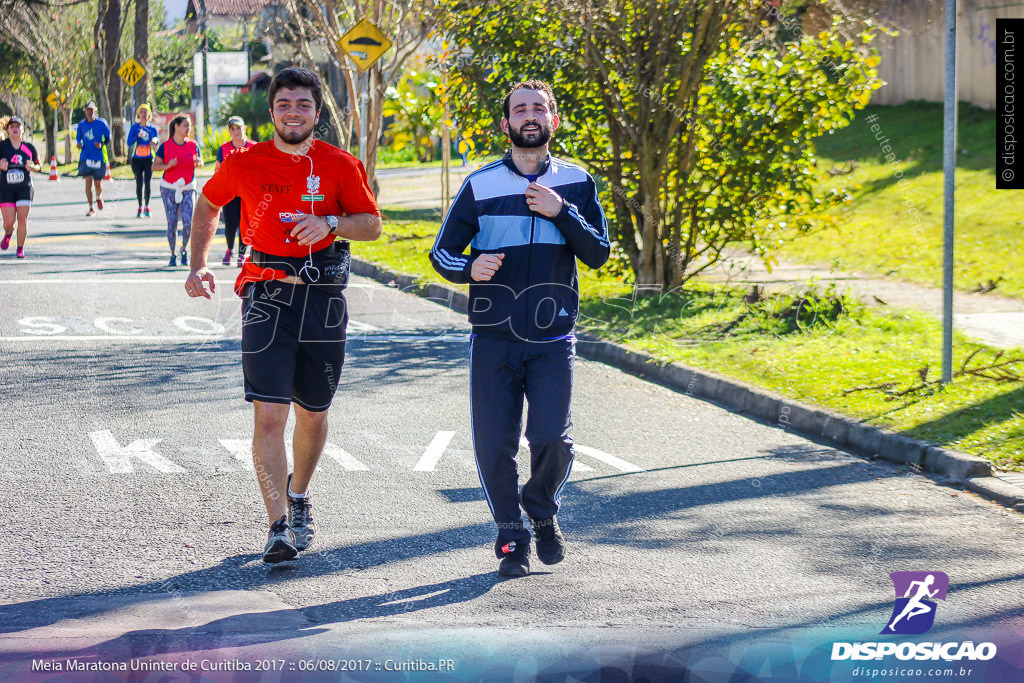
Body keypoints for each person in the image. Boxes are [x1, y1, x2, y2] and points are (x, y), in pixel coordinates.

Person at [184, 67, 382, 564]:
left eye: (303, 105)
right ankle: (276, 525)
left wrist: (331, 222)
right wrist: (199, 265)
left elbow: (373, 225)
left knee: (313, 413)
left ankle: (298, 496)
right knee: (269, 414)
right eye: (284, 104)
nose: (293, 113)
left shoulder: (340, 164)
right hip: (266, 296)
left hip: (323, 300)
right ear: (271, 111)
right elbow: (208, 206)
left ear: (317, 112)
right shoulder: (246, 163)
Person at [429, 80, 610, 578]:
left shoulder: (577, 182)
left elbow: (598, 253)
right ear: (506, 123)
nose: (530, 116)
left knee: (553, 439)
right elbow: (441, 252)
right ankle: (512, 534)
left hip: (553, 338)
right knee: (495, 444)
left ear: (553, 119)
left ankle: (541, 508)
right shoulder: (480, 185)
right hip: (493, 338)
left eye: (539, 108)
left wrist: (562, 211)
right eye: (520, 109)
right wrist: (471, 266)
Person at [154, 115, 203, 267]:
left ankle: (183, 249)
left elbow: (200, 163)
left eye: (189, 126)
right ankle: (172, 253)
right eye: (185, 126)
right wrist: (168, 165)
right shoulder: (165, 146)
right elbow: (154, 167)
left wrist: (199, 163)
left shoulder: (193, 145)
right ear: (176, 126)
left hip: (188, 188)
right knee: (172, 222)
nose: (188, 129)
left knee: (189, 222)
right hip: (169, 188)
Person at [215, 115, 256, 266]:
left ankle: (242, 254)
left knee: (245, 225)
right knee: (230, 224)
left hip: (247, 194)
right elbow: (217, 171)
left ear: (244, 128)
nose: (236, 131)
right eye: (232, 129)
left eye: (238, 128)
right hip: (230, 193)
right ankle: (229, 250)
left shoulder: (253, 147)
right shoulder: (224, 148)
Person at [0, 116, 41, 258]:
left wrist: (33, 167)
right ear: (7, 130)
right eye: (12, 127)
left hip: (24, 187)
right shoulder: (2, 146)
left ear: (22, 130)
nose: (15, 129)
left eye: (18, 126)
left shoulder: (29, 148)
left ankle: (20, 248)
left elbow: (38, 165)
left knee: (22, 218)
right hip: (6, 189)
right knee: (9, 222)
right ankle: (8, 233)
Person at [76, 101, 111, 217]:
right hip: (86, 156)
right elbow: (78, 139)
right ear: (85, 111)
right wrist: (79, 144)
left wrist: (101, 143)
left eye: (91, 110)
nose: (89, 112)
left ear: (95, 111)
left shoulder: (102, 123)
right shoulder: (81, 125)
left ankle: (99, 196)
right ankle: (91, 207)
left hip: (98, 157)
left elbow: (108, 137)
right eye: (87, 110)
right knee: (88, 181)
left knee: (97, 183)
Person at [127, 104, 160, 218]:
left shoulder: (153, 128)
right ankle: (140, 206)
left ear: (149, 114)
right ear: (138, 114)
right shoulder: (134, 128)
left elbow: (157, 138)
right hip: (137, 159)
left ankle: (147, 206)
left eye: (146, 112)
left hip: (148, 158)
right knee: (139, 183)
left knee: (147, 182)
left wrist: (154, 141)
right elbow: (129, 142)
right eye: (141, 112)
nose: (143, 114)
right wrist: (137, 136)